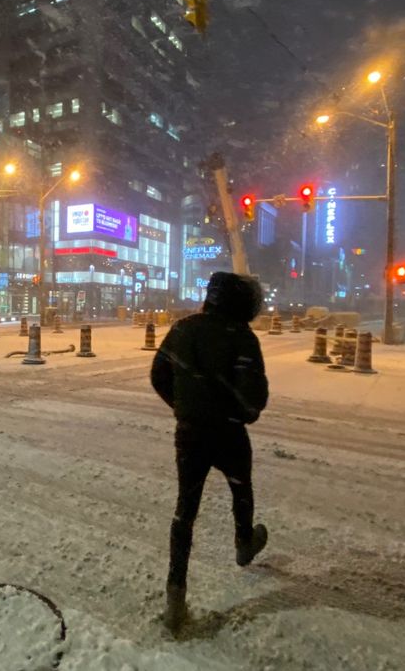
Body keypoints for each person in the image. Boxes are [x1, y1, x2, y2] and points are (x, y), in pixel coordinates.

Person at [150, 271, 270, 632]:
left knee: (185, 511)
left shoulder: (184, 329)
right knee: (241, 487)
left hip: (191, 433)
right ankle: (244, 541)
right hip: (229, 433)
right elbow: (255, 397)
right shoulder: (243, 337)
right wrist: (241, 414)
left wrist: (183, 406)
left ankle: (175, 597)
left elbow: (158, 374)